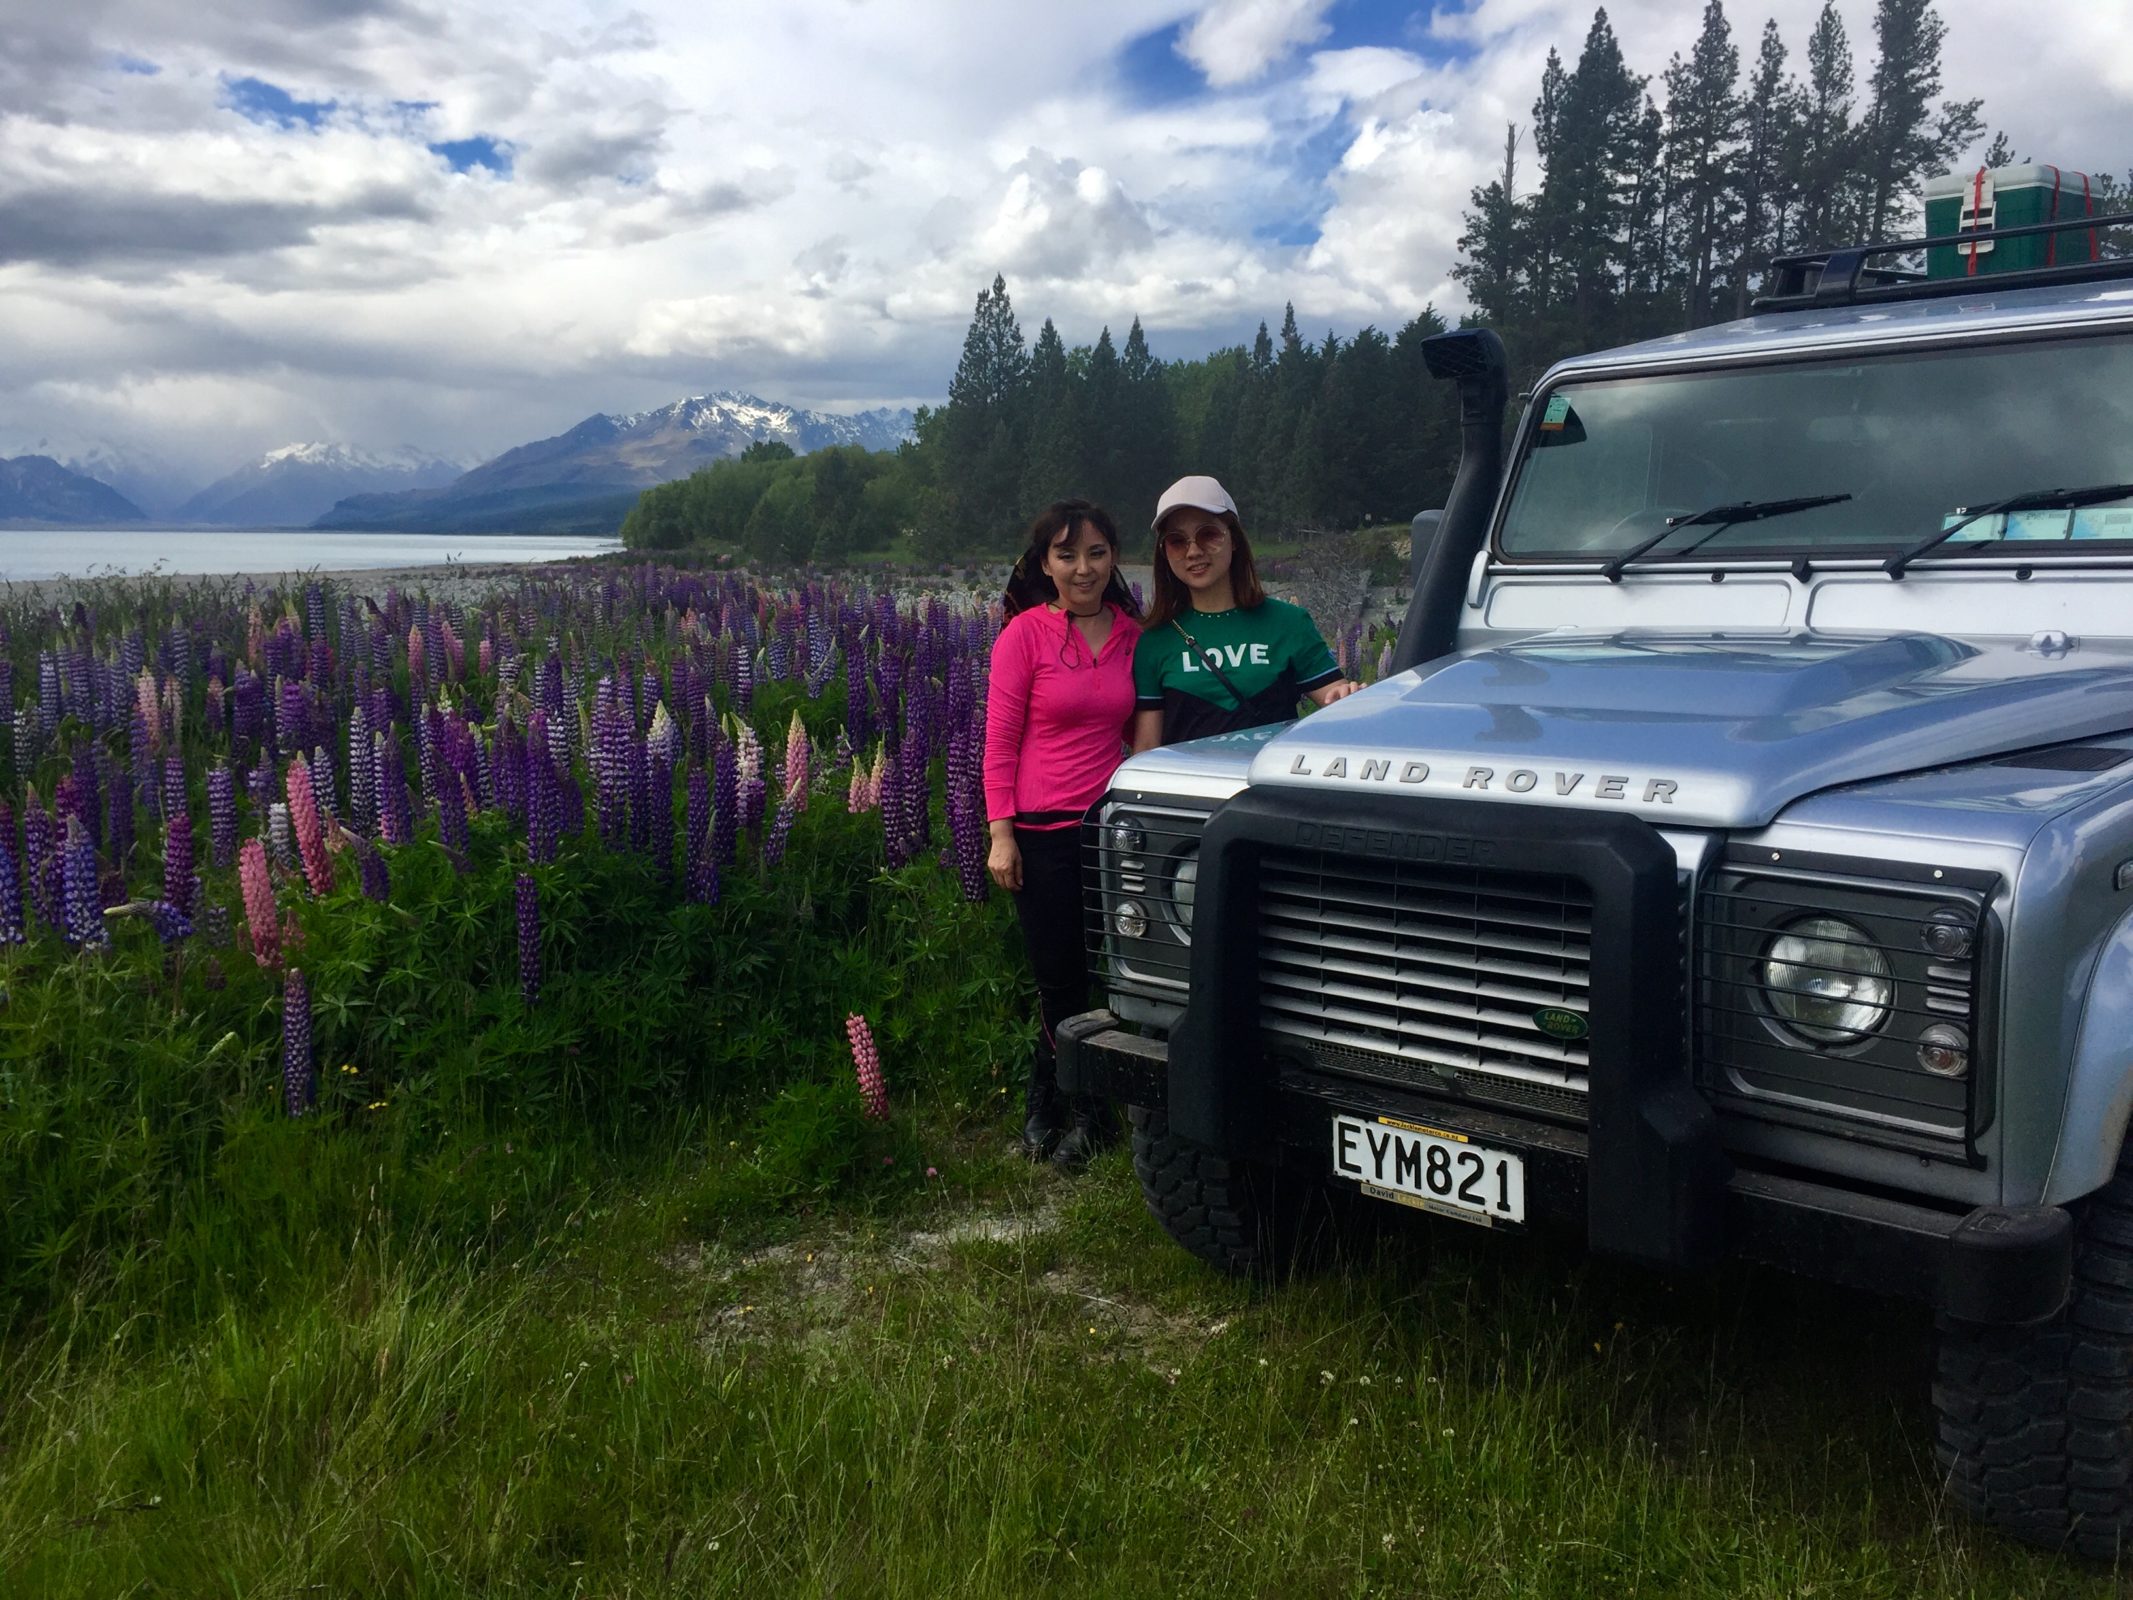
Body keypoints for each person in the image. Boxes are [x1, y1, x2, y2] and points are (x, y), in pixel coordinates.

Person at [983, 500, 1140, 1168]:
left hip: (1107, 832)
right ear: (1043, 563)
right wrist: (1001, 835)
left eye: (1096, 553)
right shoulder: (1022, 636)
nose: (1083, 568)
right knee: (1057, 981)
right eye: (1066, 554)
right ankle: (1073, 1109)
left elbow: (1142, 733)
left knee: (1101, 972)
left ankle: (1056, 1106)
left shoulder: (1138, 636)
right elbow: (998, 744)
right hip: (1041, 832)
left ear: (1114, 559)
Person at [1133, 475, 1360, 750]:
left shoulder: (1288, 623)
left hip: (1268, 789)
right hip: (1190, 790)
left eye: (1209, 535)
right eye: (1176, 541)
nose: (1193, 551)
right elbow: (1146, 750)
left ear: (1235, 540)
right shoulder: (1154, 642)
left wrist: (1351, 699)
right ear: (1164, 553)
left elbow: (1336, 702)